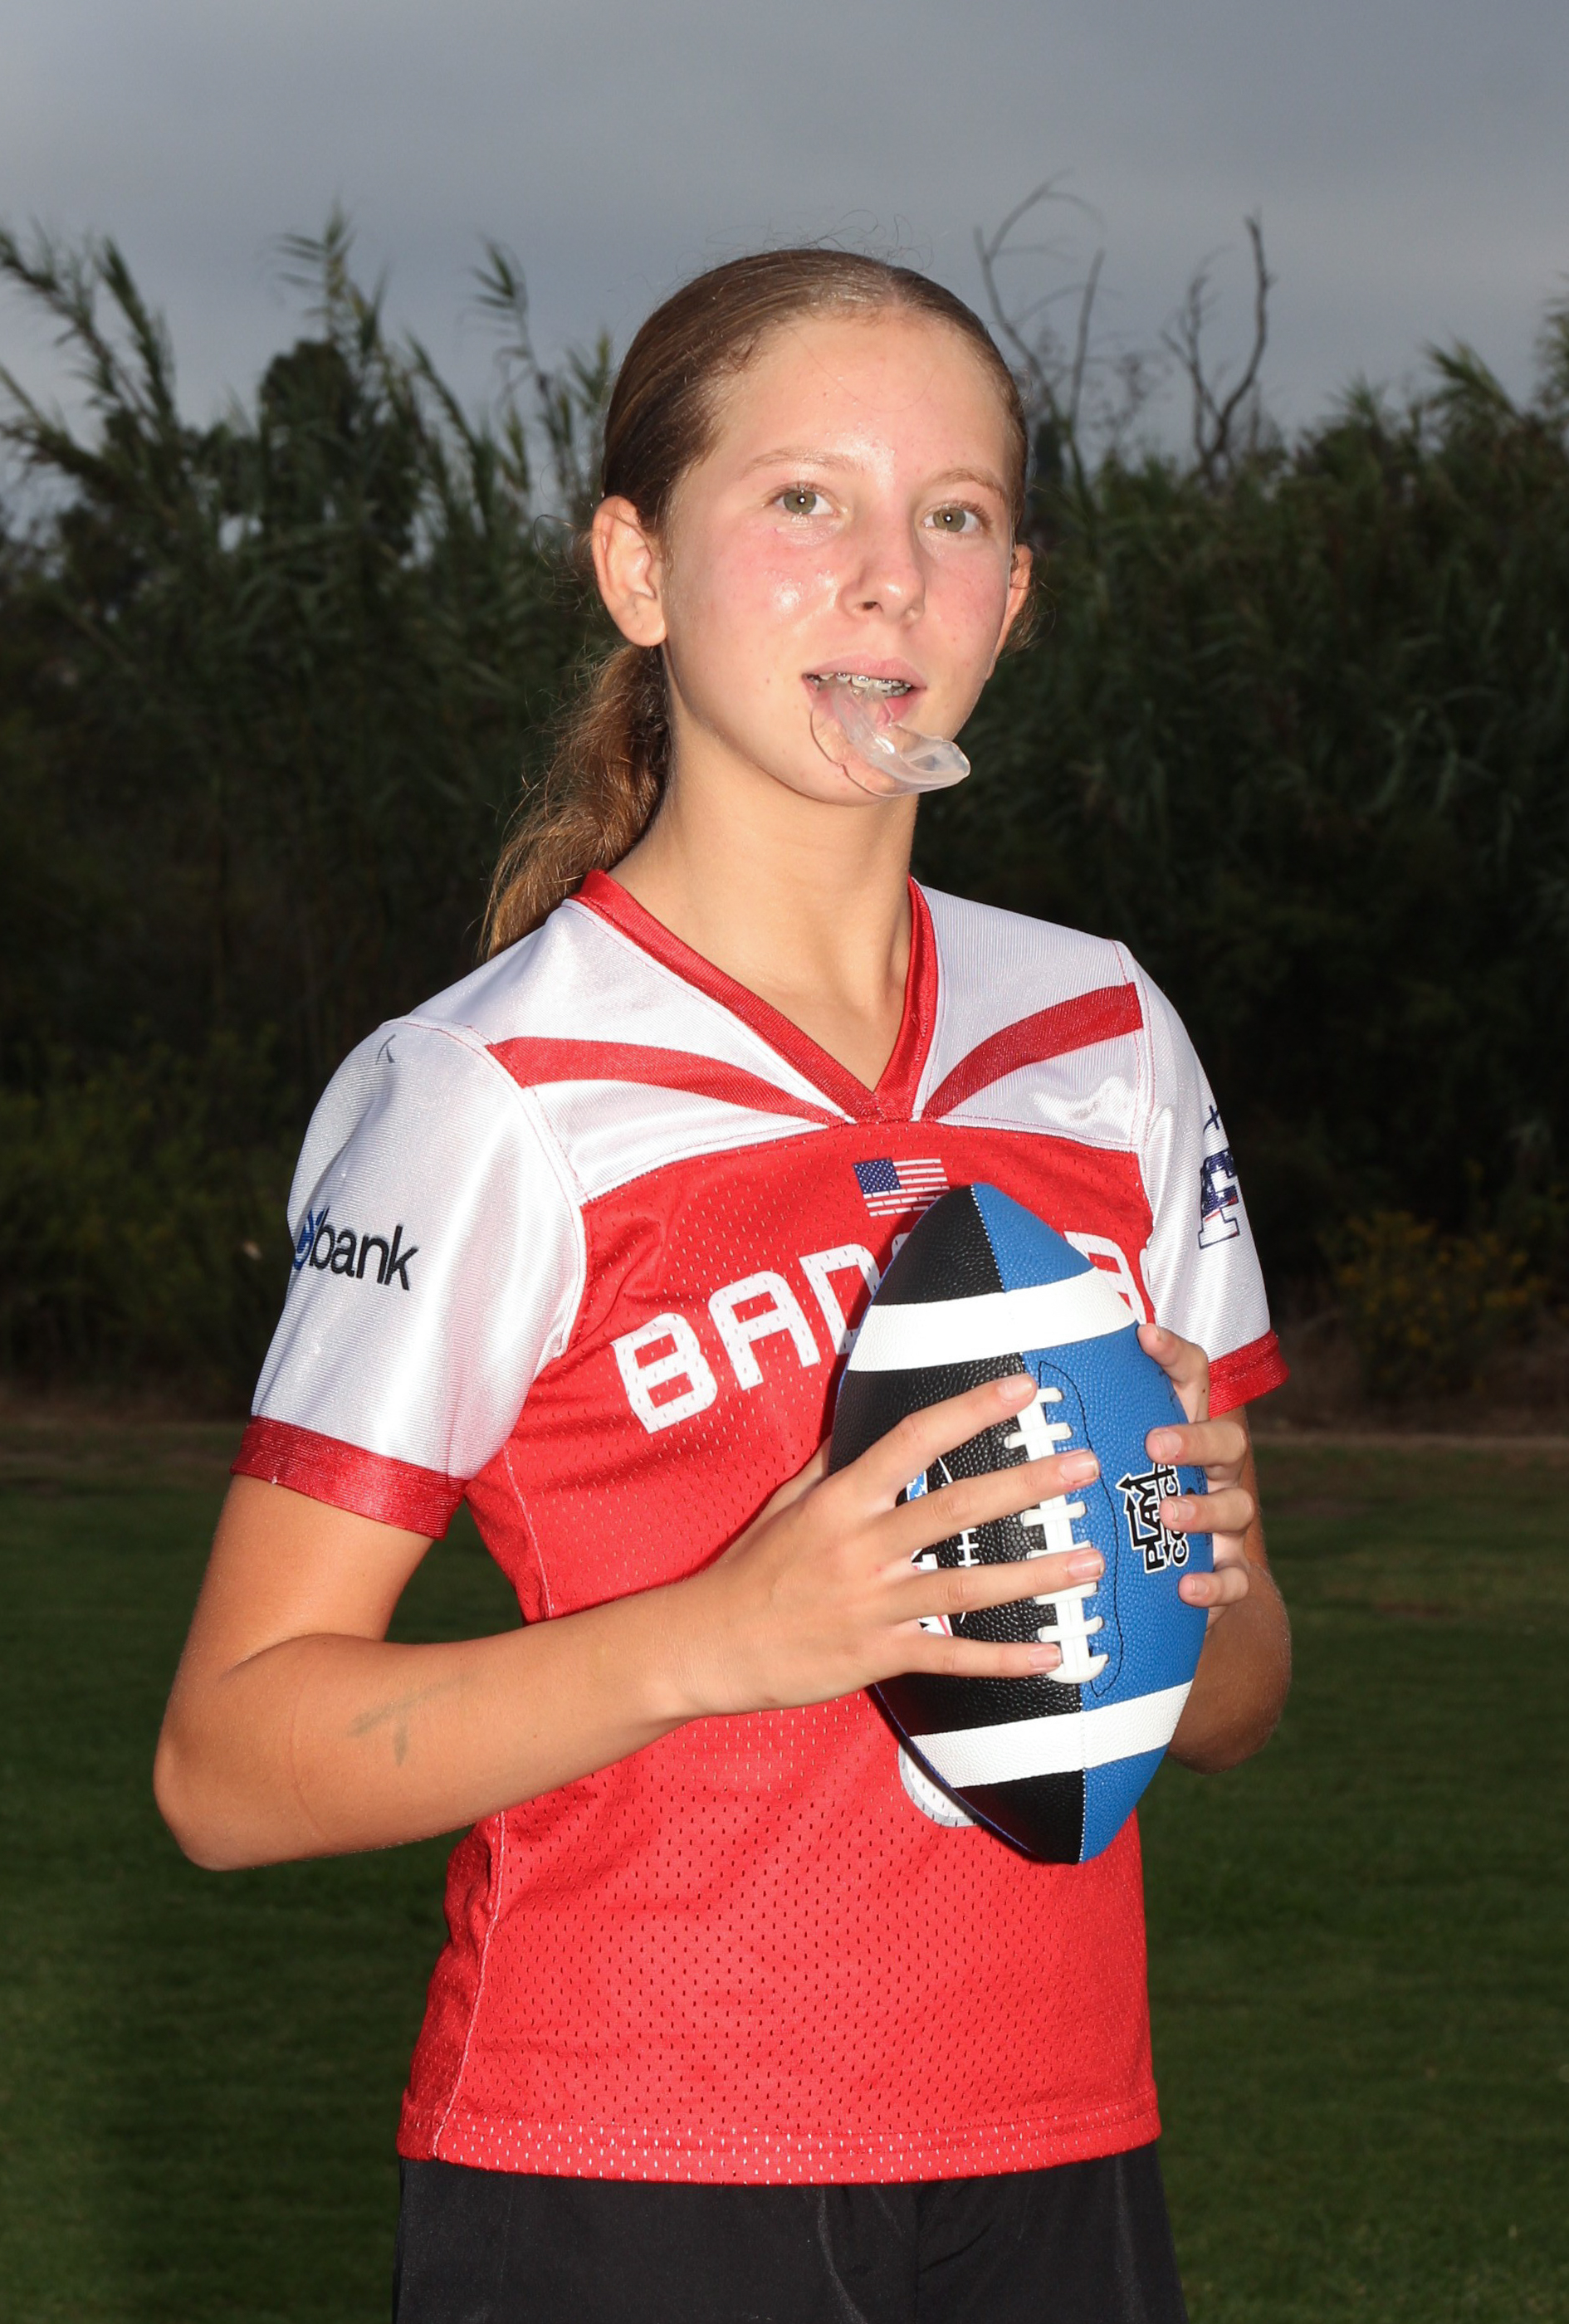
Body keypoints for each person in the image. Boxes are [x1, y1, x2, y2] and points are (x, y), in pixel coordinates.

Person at [155, 249, 1292, 2324]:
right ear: (637, 569)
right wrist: (725, 1633)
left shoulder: (1103, 1036)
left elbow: (1230, 1701)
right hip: (626, 2170)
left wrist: (1191, 1566)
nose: (888, 579)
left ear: (1011, 599)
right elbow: (226, 1766)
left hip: (1060, 2155)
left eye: (953, 516)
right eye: (803, 499)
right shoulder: (491, 1091)